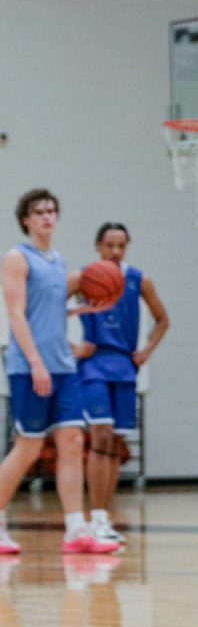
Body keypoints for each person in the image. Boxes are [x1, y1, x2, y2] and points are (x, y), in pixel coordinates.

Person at [0, 189, 119, 556]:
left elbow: (50, 312)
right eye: (39, 212)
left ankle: (76, 530)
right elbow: (17, 314)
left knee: (72, 442)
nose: (47, 217)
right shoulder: (18, 258)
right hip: (30, 366)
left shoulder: (58, 261)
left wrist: (82, 312)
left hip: (63, 367)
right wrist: (36, 361)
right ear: (26, 219)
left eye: (51, 211)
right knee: (29, 447)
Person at [76, 222, 169, 545]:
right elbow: (49, 308)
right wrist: (71, 348)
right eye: (109, 245)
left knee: (115, 444)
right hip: (93, 367)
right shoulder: (84, 277)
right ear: (98, 246)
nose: (115, 251)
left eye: (121, 245)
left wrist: (146, 350)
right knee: (99, 437)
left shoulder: (138, 279)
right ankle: (94, 515)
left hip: (126, 369)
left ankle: (105, 517)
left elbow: (163, 319)